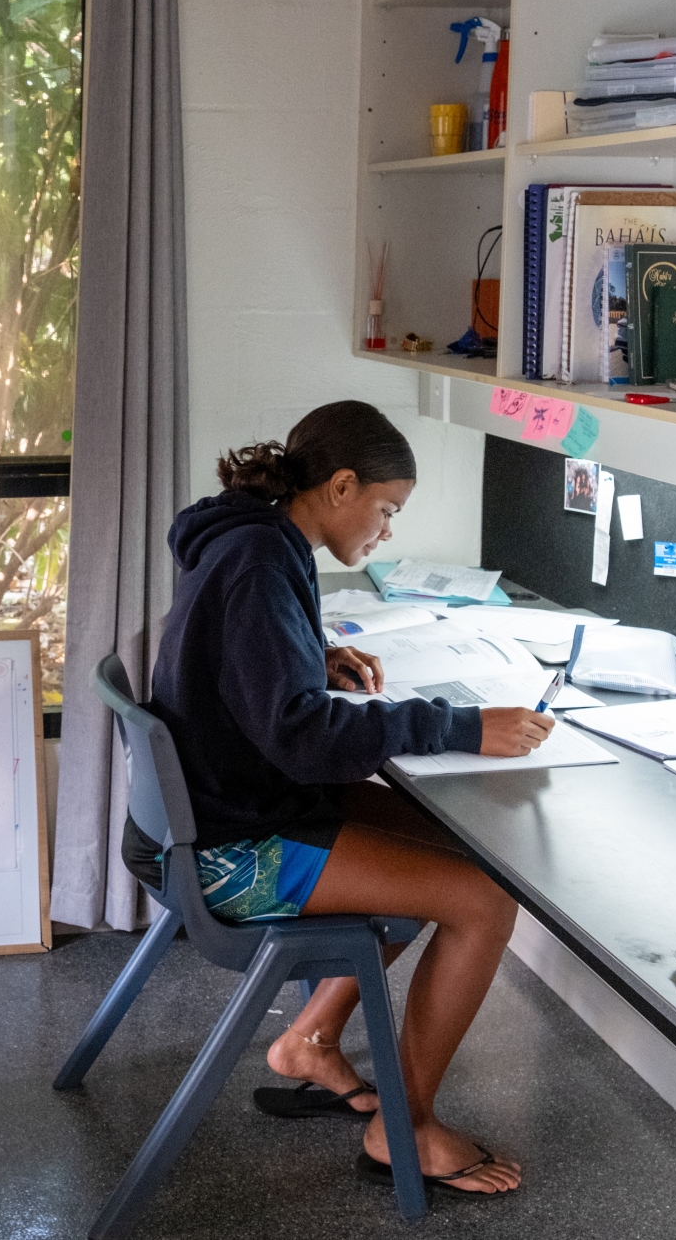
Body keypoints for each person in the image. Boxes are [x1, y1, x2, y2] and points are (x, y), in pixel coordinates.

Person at [125, 400, 551, 1199]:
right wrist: (463, 725)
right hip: (231, 851)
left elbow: (251, 670)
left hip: (223, 810)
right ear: (342, 485)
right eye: (387, 509)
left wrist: (309, 655)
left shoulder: (247, 533)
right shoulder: (261, 558)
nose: (387, 530)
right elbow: (303, 739)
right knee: (485, 900)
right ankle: (404, 1126)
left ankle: (311, 1041)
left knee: (452, 847)